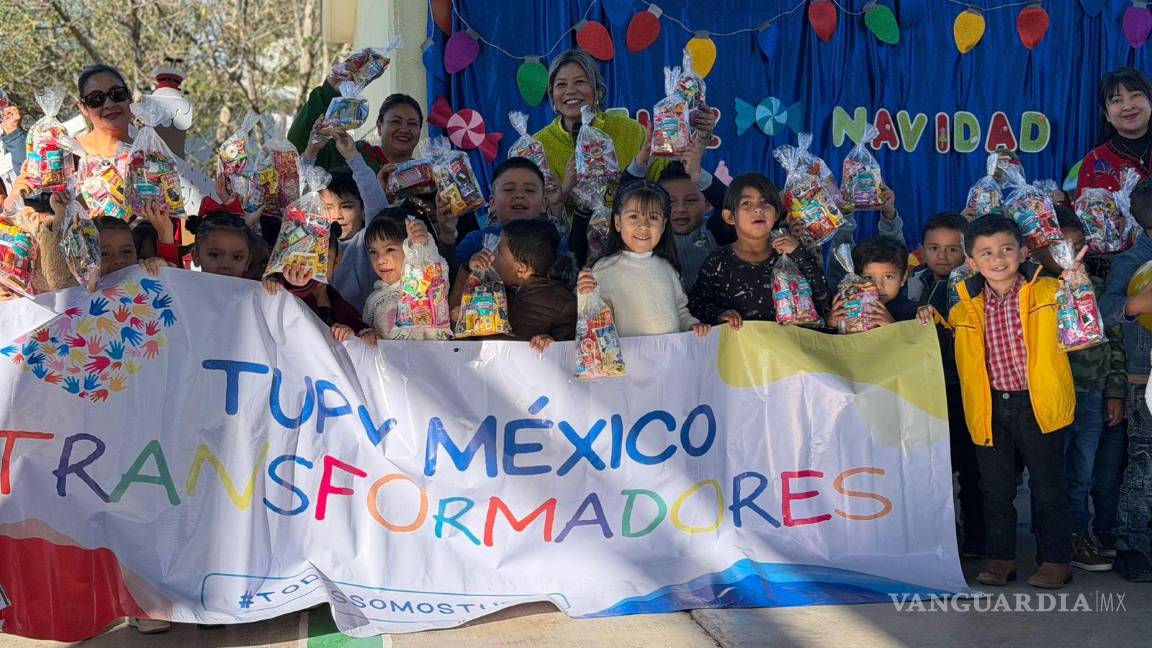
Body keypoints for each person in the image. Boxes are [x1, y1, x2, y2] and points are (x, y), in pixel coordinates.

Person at [931, 215, 1074, 589]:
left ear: (1023, 252)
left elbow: (1083, 327)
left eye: (1006, 250)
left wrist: (1079, 287)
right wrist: (925, 320)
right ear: (972, 263)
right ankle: (1000, 559)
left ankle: (1056, 560)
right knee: (994, 489)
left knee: (1047, 488)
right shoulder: (963, 307)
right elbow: (949, 352)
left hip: (1039, 404)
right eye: (986, 253)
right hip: (989, 408)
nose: (998, 259)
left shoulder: (1050, 292)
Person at [534, 50, 716, 254]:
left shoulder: (629, 130)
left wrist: (700, 138)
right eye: (561, 85)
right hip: (568, 252)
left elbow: (668, 178)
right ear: (552, 95)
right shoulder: (538, 146)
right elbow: (532, 216)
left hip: (634, 246)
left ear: (598, 90)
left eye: (580, 82)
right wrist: (566, 189)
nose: (570, 91)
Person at [1046, 210, 1126, 572]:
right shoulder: (1036, 290)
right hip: (1050, 395)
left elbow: (1113, 340)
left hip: (1091, 395)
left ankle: (1078, 536)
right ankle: (1055, 543)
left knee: (1082, 472)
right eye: (1059, 247)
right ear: (1036, 250)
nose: (1069, 255)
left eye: (1076, 247)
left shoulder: (1093, 286)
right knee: (1049, 474)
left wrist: (1115, 390)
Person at [908, 212, 984, 558]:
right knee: (931, 467)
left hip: (965, 387)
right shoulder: (911, 283)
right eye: (934, 247)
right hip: (923, 389)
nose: (942, 255)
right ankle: (940, 532)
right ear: (921, 249)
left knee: (972, 469)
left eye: (953, 249)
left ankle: (978, 535)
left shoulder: (977, 284)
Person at [1099, 177, 1152, 581]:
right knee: (1144, 464)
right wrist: (1136, 304)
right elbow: (1104, 309)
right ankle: (1134, 547)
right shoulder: (1132, 261)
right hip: (1142, 378)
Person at [687, 173, 824, 327]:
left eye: (765, 203)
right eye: (747, 203)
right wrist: (718, 315)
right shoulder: (718, 262)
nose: (758, 209)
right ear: (730, 216)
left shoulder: (792, 255)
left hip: (790, 348)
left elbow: (823, 303)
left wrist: (799, 252)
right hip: (741, 350)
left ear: (776, 213)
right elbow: (695, 305)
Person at [576, 181, 708, 338]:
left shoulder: (668, 268)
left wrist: (692, 325)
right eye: (633, 216)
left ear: (664, 225)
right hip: (628, 361)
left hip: (669, 360)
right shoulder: (603, 270)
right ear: (618, 222)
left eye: (653, 217)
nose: (643, 225)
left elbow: (681, 311)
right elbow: (594, 321)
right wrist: (585, 295)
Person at [301, 129, 391, 312]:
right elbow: (298, 202)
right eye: (328, 207)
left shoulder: (368, 243)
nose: (337, 215)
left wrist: (353, 157)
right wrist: (310, 153)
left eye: (347, 206)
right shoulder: (309, 244)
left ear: (364, 211)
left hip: (362, 333)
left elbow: (378, 206)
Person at [449, 158, 550, 311]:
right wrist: (447, 237)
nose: (519, 195)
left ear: (544, 203)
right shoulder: (476, 241)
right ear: (492, 203)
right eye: (509, 189)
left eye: (529, 190)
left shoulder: (551, 242)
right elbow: (451, 281)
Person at [468, 218, 576, 348]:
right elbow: (464, 327)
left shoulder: (564, 305)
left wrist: (551, 344)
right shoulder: (492, 288)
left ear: (521, 269)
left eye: (499, 251)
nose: (491, 255)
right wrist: (473, 273)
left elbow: (568, 353)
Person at [263, 222, 376, 345]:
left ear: (337, 261)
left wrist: (360, 334)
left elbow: (359, 330)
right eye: (305, 260)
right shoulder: (280, 290)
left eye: (322, 260)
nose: (314, 268)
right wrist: (278, 283)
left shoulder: (340, 305)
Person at [362, 214, 448, 340]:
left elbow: (433, 266)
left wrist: (422, 243)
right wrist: (367, 336)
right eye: (373, 252)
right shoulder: (373, 301)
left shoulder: (425, 284)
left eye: (389, 249)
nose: (380, 260)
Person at [1077, 67, 1152, 195]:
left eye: (1135, 95)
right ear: (1106, 114)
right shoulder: (1094, 160)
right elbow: (1083, 213)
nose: (1128, 106)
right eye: (1117, 100)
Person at [828, 236, 917, 329]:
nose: (878, 286)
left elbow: (923, 342)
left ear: (903, 278)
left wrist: (893, 327)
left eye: (888, 277)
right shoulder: (847, 309)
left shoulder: (915, 313)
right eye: (868, 277)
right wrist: (831, 325)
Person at [186, 212, 257, 278]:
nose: (226, 265)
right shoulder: (179, 289)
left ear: (247, 262)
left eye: (237, 257)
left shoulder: (256, 291)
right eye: (214, 255)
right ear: (196, 257)